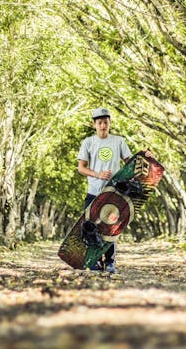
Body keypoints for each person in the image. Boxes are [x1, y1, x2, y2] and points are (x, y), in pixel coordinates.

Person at [77, 107, 132, 274]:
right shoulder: (88, 142)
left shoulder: (119, 141)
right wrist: (97, 174)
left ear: (109, 123)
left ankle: (109, 263)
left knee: (110, 228)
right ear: (94, 124)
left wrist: (145, 157)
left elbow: (130, 162)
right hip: (94, 191)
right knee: (91, 227)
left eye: (106, 122)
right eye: (100, 122)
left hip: (113, 193)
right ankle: (94, 261)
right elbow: (81, 168)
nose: (103, 126)